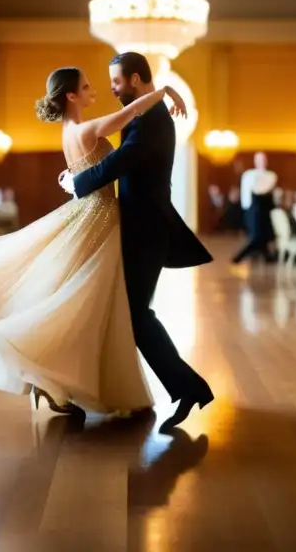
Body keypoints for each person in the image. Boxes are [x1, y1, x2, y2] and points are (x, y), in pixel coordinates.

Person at [0, 61, 198, 430]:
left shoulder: (70, 129)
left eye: (107, 83)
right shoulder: (88, 127)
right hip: (98, 218)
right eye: (89, 86)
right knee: (79, 303)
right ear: (72, 95)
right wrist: (166, 92)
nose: (98, 90)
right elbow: (127, 119)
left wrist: (163, 94)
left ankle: (52, 380)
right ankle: (51, 378)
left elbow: (118, 140)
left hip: (96, 217)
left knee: (78, 302)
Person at [60, 53, 214, 431]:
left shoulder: (151, 121)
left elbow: (116, 166)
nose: (111, 88)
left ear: (134, 79)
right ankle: (97, 389)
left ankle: (188, 387)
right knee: (128, 313)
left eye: (116, 81)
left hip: (147, 231)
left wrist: (75, 183)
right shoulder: (146, 115)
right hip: (138, 228)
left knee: (135, 315)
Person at [232, 152, 277, 263]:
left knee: (262, 235)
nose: (261, 162)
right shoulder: (248, 174)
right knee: (256, 236)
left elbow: (262, 189)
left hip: (265, 208)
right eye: (258, 159)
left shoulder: (271, 175)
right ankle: (240, 257)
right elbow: (246, 193)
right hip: (252, 209)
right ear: (255, 161)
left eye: (263, 159)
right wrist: (246, 210)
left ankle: (265, 256)